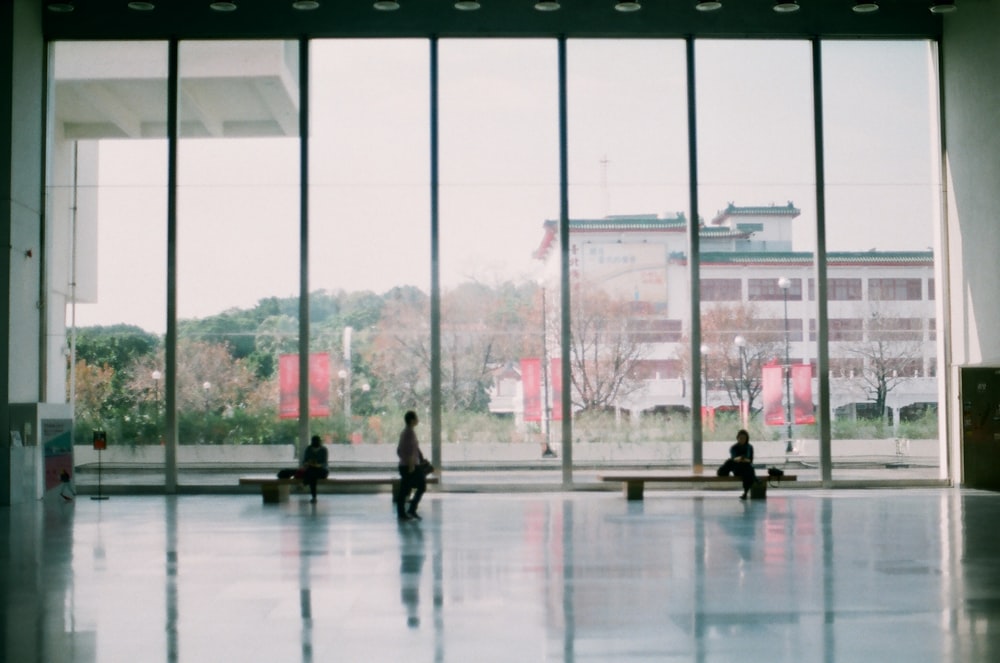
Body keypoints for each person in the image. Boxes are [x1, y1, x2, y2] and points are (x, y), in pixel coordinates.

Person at [396, 410, 426, 521]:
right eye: (416, 418)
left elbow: (399, 450)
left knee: (405, 489)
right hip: (410, 466)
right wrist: (411, 465)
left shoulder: (406, 432)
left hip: (406, 464)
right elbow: (409, 451)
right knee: (420, 487)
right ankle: (410, 510)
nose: (418, 419)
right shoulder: (409, 433)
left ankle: (405, 512)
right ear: (412, 420)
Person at [718, 428, 757, 500]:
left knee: (749, 471)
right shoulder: (734, 447)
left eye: (744, 438)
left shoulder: (749, 447)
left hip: (746, 467)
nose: (742, 440)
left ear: (747, 439)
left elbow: (750, 460)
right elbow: (734, 458)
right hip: (737, 467)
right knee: (729, 462)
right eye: (740, 438)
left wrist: (744, 459)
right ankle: (722, 472)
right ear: (737, 438)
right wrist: (740, 458)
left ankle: (745, 492)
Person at [301, 434, 329, 503]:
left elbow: (325, 463)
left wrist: (318, 465)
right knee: (312, 476)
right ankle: (314, 497)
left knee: (312, 474)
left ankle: (305, 483)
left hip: (322, 471)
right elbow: (305, 461)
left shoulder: (323, 450)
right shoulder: (308, 449)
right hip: (311, 470)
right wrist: (307, 463)